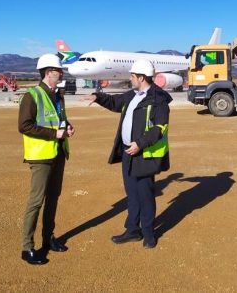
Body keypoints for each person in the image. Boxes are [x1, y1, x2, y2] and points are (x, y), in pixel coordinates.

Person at [84, 58, 171, 249]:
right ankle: (132, 230)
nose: (130, 78)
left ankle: (148, 233)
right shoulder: (133, 94)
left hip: (144, 154)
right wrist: (98, 97)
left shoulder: (159, 99)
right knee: (132, 194)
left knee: (145, 195)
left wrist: (140, 144)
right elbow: (115, 102)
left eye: (132, 75)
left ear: (141, 77)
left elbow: (159, 128)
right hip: (127, 153)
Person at [18, 53, 75, 265]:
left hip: (59, 153)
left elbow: (58, 120)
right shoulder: (32, 95)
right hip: (41, 156)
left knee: (53, 198)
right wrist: (54, 134)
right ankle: (27, 247)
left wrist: (67, 126)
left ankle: (48, 238)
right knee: (36, 201)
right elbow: (24, 126)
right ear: (47, 72)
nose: (61, 73)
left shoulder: (58, 95)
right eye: (58, 70)